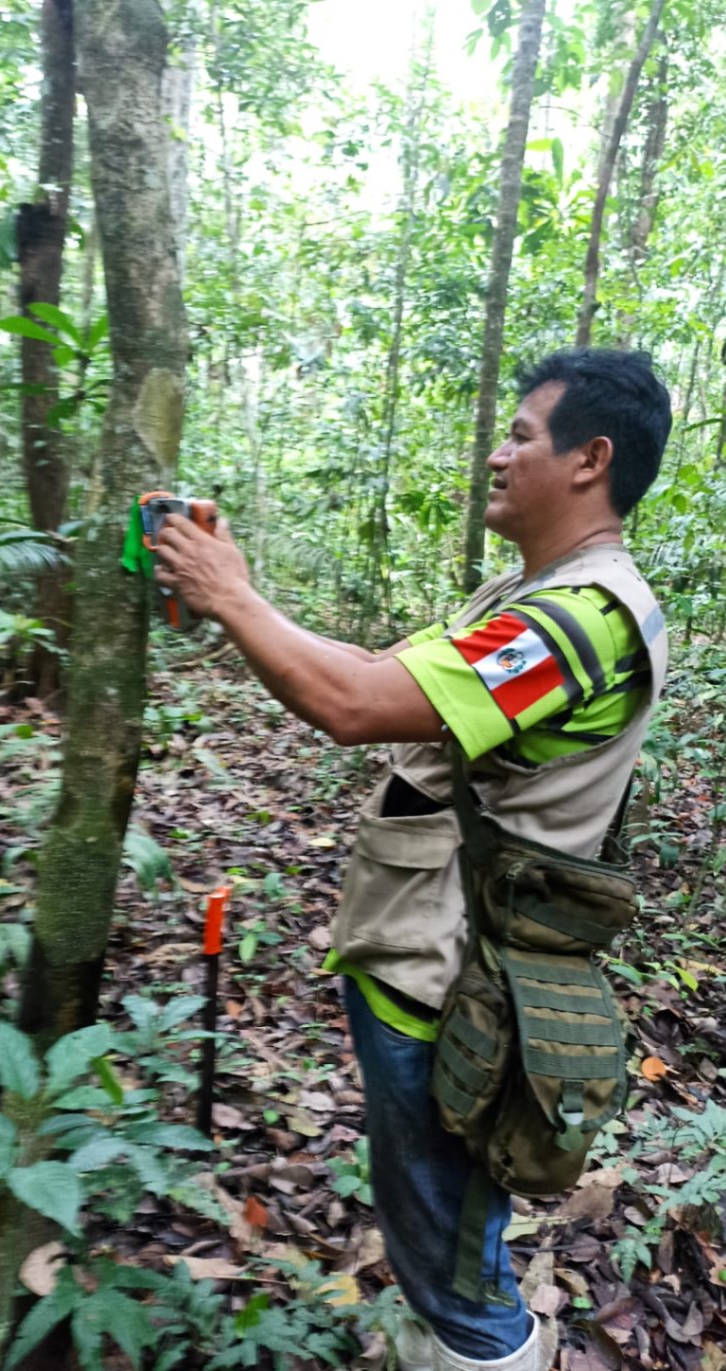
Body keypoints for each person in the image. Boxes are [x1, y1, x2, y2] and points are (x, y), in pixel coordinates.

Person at [155, 348, 672, 1371]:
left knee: (455, 1263)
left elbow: (350, 708)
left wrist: (232, 596)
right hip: (423, 952)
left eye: (520, 436)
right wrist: (237, 594)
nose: (496, 454)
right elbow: (369, 673)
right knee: (429, 1229)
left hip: (456, 982)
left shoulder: (580, 623)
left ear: (589, 459)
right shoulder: (533, 593)